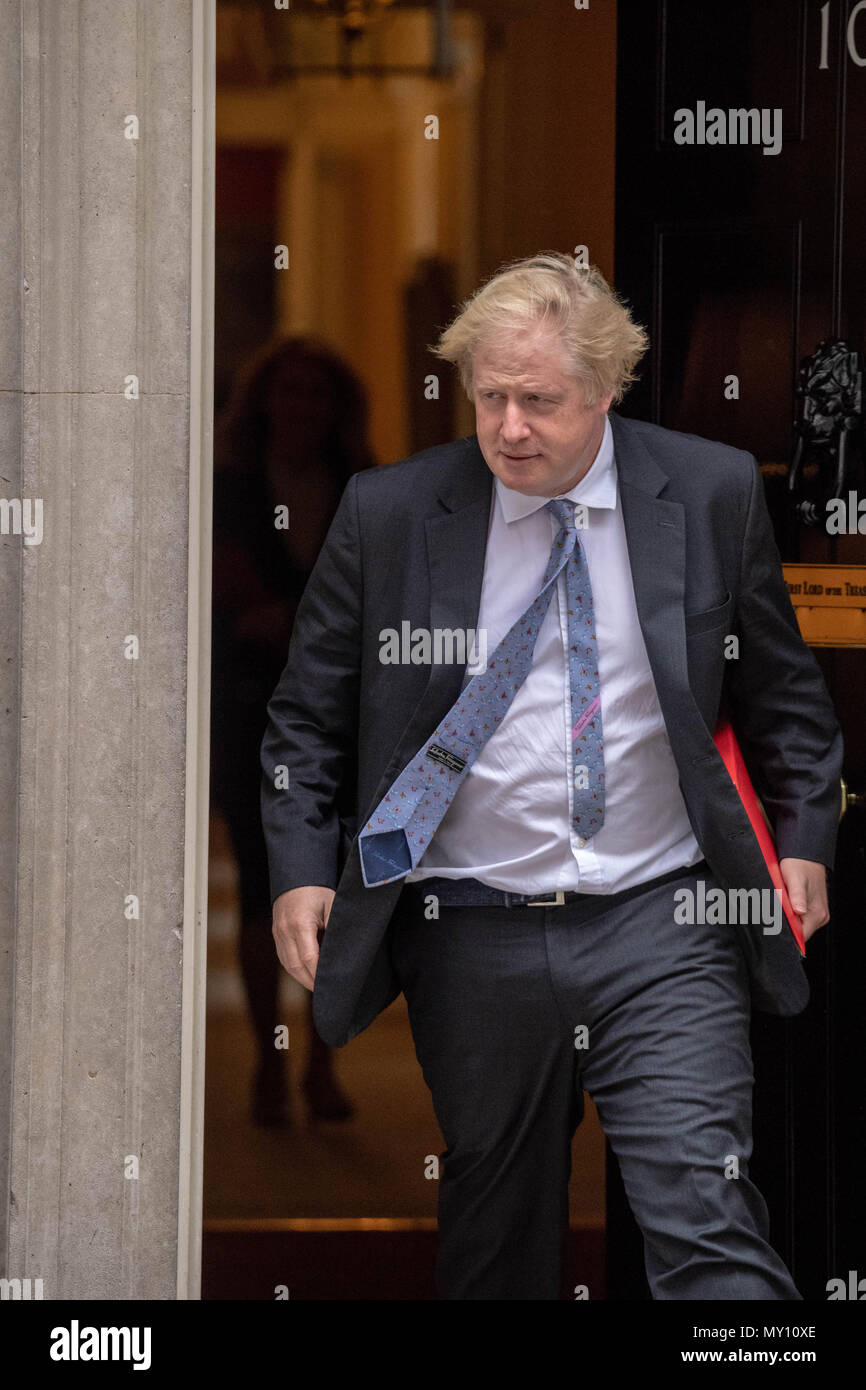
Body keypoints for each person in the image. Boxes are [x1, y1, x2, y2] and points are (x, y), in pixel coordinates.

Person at [259, 254, 843, 1298]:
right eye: (489, 396)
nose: (509, 427)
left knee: (702, 1213)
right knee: (497, 1236)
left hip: (662, 917)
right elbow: (305, 718)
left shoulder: (704, 493)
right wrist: (302, 867)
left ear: (606, 391)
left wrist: (800, 839)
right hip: (469, 924)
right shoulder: (391, 513)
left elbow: (783, 700)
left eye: (539, 401)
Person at [212, 335, 373, 1125]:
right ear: (265, 401)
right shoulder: (228, 486)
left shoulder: (365, 487)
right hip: (251, 704)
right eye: (289, 389)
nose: (303, 404)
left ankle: (320, 1062)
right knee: (256, 883)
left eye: (318, 391)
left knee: (341, 886)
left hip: (346, 714)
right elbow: (221, 588)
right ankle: (268, 1063)